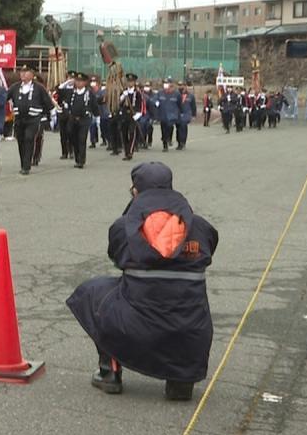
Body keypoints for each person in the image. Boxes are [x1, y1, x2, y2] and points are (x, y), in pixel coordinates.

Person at [67, 161, 218, 400]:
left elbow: (116, 257)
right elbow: (210, 248)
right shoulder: (199, 226)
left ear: (136, 191)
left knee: (93, 291)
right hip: (190, 329)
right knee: (186, 298)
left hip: (136, 326)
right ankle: (181, 380)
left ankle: (110, 372)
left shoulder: (123, 227)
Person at [10, 65, 53, 175]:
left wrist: (45, 115)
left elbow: (48, 103)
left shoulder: (39, 88)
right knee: (21, 141)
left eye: (26, 72)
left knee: (29, 138)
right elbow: (5, 97)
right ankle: (23, 162)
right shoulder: (15, 87)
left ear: (32, 74)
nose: (23, 74)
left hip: (33, 119)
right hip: (19, 119)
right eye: (22, 72)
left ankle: (26, 166)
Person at [61, 72, 98, 168]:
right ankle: (77, 157)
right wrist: (68, 82)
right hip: (73, 118)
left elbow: (94, 105)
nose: (78, 83)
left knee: (82, 139)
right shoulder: (71, 92)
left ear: (85, 82)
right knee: (72, 137)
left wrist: (96, 114)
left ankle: (81, 160)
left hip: (84, 119)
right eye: (77, 81)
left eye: (81, 81)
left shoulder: (89, 93)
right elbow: (60, 91)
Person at [115, 73, 145, 160]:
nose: (130, 83)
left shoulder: (138, 93)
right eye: (128, 81)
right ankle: (126, 151)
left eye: (131, 82)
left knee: (132, 133)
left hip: (133, 115)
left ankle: (130, 152)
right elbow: (118, 103)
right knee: (124, 134)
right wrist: (123, 95)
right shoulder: (124, 91)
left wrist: (138, 114)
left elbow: (141, 104)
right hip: (124, 115)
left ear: (134, 82)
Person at [173, 80, 196, 150]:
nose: (181, 87)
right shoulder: (175, 95)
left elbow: (193, 106)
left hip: (186, 113)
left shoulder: (191, 96)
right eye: (179, 85)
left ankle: (183, 142)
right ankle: (179, 142)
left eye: (182, 85)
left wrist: (193, 115)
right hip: (178, 114)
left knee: (183, 125)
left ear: (185, 86)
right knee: (178, 127)